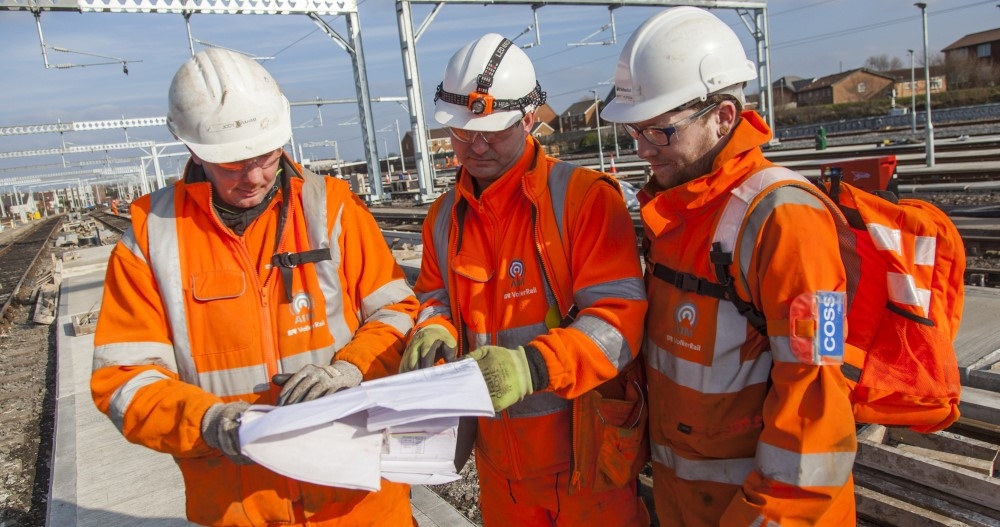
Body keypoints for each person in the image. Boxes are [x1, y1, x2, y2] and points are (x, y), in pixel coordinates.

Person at [90, 48, 419, 527]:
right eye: (232, 165)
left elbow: (398, 313)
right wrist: (208, 424)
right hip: (239, 506)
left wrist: (349, 370)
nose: (257, 176)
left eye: (266, 157)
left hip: (360, 502)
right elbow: (124, 380)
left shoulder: (331, 210)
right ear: (193, 150)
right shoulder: (151, 237)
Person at [600, 7, 857, 526]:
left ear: (723, 115)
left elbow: (816, 405)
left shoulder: (784, 220)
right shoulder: (675, 214)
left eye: (660, 132)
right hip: (687, 504)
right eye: (635, 133)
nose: (644, 150)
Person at [401, 33, 649, 527]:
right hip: (499, 468)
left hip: (587, 462)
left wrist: (530, 368)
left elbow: (618, 324)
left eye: (493, 131)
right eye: (463, 132)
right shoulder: (444, 218)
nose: (476, 145)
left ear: (529, 119)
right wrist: (434, 326)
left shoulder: (583, 199)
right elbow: (432, 297)